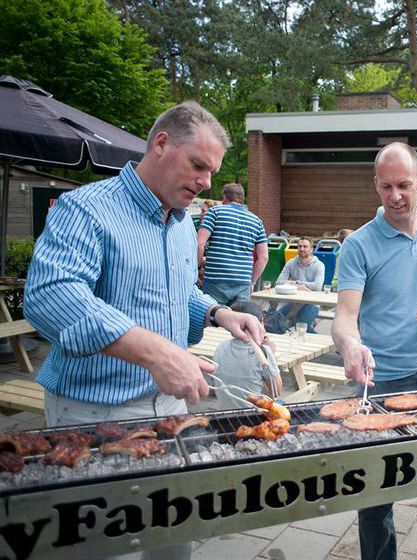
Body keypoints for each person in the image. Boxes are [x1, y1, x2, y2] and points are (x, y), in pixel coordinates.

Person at [23, 101, 267, 560]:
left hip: (171, 408)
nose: (206, 182)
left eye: (212, 172)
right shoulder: (86, 209)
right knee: (100, 546)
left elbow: (176, 294)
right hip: (92, 411)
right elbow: (50, 296)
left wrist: (218, 313)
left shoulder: (181, 222)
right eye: (198, 166)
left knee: (173, 535)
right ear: (161, 144)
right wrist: (158, 352)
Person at [331, 142, 417, 560]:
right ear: (376, 184)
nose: (395, 196)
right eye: (387, 186)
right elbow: (343, 316)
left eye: (404, 185)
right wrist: (350, 344)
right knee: (376, 495)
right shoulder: (358, 244)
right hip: (384, 380)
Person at [197, 182, 268, 305]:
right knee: (238, 323)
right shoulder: (257, 221)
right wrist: (252, 282)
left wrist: (197, 269)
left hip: (215, 282)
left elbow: (199, 244)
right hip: (243, 284)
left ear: (225, 197)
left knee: (212, 320)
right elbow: (264, 257)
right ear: (242, 198)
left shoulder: (214, 212)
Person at [213, 301, 282, 409]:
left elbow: (215, 382)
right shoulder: (263, 352)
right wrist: (271, 354)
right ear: (260, 323)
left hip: (223, 411)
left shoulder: (220, 347)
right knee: (281, 402)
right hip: (252, 415)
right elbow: (276, 392)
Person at [276, 237, 325, 333]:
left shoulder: (319, 265)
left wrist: (295, 283)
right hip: (293, 301)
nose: (302, 249)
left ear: (311, 249)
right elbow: (279, 282)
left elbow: (318, 286)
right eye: (299, 246)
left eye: (305, 246)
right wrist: (298, 285)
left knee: (301, 325)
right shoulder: (291, 262)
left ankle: (325, 345)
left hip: (311, 302)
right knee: (276, 320)